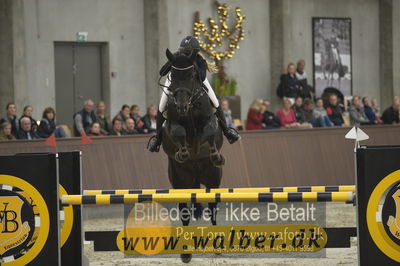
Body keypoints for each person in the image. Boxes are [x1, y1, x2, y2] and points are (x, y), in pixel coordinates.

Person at [147, 36, 240, 152]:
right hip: (174, 81)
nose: (185, 54)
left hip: (196, 82)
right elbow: (162, 72)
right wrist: (172, 61)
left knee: (215, 101)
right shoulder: (176, 56)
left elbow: (202, 76)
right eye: (183, 52)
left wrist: (192, 64)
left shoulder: (199, 60)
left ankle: (227, 131)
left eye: (187, 53)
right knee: (161, 106)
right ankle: (157, 139)